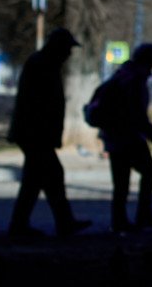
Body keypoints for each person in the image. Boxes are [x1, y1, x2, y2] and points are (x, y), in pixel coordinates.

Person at [7, 27, 91, 241]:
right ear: (58, 47)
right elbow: (39, 106)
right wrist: (47, 135)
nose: (69, 53)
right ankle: (60, 223)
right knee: (49, 177)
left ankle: (34, 224)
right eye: (68, 48)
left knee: (37, 181)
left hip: (35, 134)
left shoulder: (44, 63)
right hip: (35, 135)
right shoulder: (42, 65)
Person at [99, 42, 152, 234]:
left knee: (121, 181)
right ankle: (140, 216)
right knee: (147, 171)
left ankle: (120, 220)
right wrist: (150, 131)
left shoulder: (123, 74)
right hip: (127, 136)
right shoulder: (134, 79)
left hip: (115, 135)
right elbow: (135, 111)